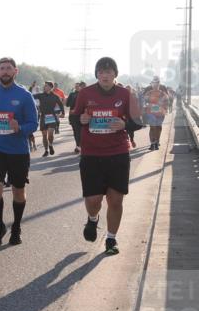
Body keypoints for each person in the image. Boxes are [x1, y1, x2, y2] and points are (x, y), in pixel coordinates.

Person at [72, 57, 142, 255]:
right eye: (101, 72)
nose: (105, 75)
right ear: (97, 74)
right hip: (91, 154)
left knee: (116, 200)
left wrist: (125, 124)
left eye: (109, 71)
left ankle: (111, 239)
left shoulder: (125, 94)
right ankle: (92, 219)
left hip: (118, 153)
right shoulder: (85, 93)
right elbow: (74, 117)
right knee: (93, 201)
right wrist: (81, 119)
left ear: (115, 74)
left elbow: (138, 121)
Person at [0, 58, 39, 246]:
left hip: (18, 150)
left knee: (18, 191)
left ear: (15, 71)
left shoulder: (24, 95)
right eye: (2, 68)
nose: (5, 71)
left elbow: (33, 123)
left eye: (8, 68)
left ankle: (16, 227)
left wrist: (20, 128)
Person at [35, 81, 65, 156]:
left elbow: (61, 105)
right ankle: (46, 150)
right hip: (43, 116)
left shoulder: (55, 96)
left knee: (50, 134)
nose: (44, 87)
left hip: (51, 116)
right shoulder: (41, 95)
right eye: (44, 86)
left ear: (51, 87)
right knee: (44, 135)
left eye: (46, 86)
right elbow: (30, 96)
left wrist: (63, 113)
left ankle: (50, 145)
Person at [140, 77, 169, 151]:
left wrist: (164, 108)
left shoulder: (162, 93)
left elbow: (166, 102)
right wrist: (147, 106)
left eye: (157, 83)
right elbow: (144, 102)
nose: (155, 85)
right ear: (152, 84)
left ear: (159, 84)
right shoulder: (148, 93)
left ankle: (157, 141)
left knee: (158, 127)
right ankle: (153, 143)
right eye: (154, 83)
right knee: (152, 127)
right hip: (151, 113)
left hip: (160, 113)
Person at [66, 82, 85, 154]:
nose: (77, 87)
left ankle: (81, 146)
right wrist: (68, 99)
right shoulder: (72, 94)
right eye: (75, 86)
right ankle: (78, 145)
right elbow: (67, 104)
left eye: (78, 86)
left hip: (82, 115)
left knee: (81, 131)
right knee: (76, 131)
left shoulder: (84, 94)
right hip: (73, 116)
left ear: (81, 86)